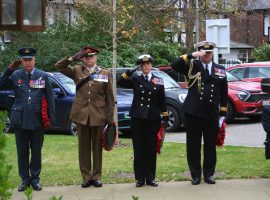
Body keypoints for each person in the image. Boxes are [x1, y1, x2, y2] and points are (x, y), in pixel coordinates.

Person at [54, 46, 115, 188]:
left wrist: (110, 118)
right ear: (82, 58)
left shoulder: (105, 73)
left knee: (97, 147)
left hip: (98, 114)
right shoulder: (76, 70)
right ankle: (86, 177)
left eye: (91, 56)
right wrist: (72, 58)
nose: (89, 59)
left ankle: (97, 176)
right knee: (84, 148)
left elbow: (110, 98)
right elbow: (59, 66)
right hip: (81, 114)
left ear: (96, 57)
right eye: (86, 57)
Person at [171, 41, 228, 185]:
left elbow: (224, 93)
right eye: (204, 52)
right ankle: (195, 175)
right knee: (193, 146)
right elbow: (174, 64)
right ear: (199, 53)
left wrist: (222, 115)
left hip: (211, 114)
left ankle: (209, 174)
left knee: (210, 146)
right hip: (193, 113)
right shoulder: (192, 65)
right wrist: (191, 55)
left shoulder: (220, 69)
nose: (207, 55)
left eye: (209, 52)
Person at [0, 47, 55, 192]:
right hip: (20, 119)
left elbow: (50, 98)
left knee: (36, 151)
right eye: (24, 60)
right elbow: (1, 84)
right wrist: (8, 70)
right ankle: (24, 179)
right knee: (22, 152)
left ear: (34, 60)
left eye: (30, 59)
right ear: (21, 61)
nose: (27, 62)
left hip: (37, 119)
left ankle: (35, 179)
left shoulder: (43, 76)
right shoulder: (15, 75)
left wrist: (51, 118)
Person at [118, 54, 169, 187]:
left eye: (148, 64)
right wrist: (130, 71)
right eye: (143, 64)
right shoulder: (135, 79)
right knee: (139, 149)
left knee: (151, 149)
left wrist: (165, 116)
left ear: (151, 65)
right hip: (138, 118)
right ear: (140, 67)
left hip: (152, 119)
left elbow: (162, 100)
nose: (146, 66)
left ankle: (150, 177)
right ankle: (140, 178)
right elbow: (120, 81)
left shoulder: (158, 80)